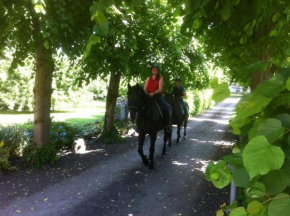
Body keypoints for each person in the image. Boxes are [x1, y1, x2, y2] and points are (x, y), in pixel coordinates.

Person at [144, 63, 172, 132]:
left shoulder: (160, 78)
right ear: (151, 70)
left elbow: (160, 89)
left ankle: (168, 125)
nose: (154, 70)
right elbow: (144, 88)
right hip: (149, 96)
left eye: (156, 69)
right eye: (153, 69)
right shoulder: (148, 78)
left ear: (158, 70)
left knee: (166, 108)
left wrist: (153, 93)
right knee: (141, 106)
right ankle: (140, 124)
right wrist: (147, 94)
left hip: (158, 96)